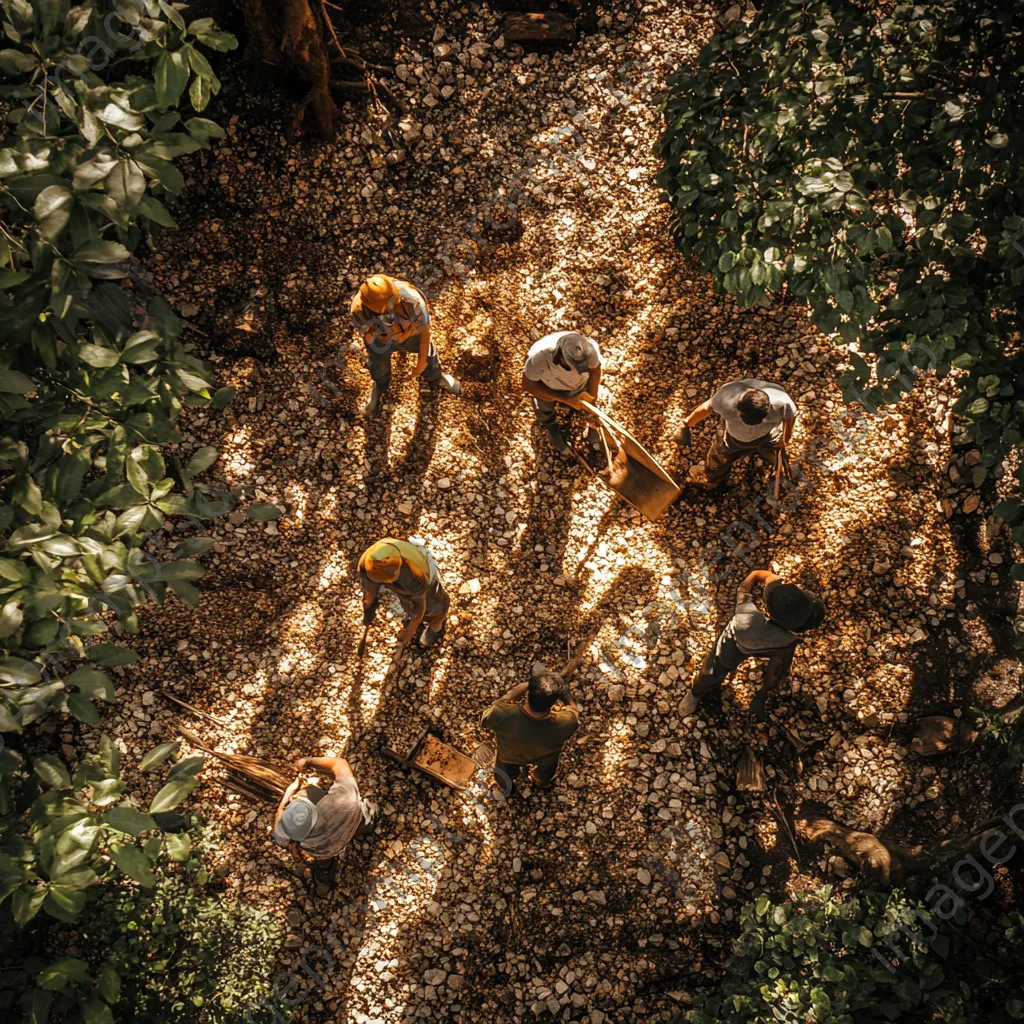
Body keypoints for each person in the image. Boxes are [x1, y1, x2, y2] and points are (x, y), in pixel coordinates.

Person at [678, 569, 825, 719]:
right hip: (737, 645)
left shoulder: (753, 607)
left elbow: (756, 576)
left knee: (715, 666)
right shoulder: (786, 640)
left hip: (740, 638)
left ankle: (698, 690)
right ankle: (696, 693)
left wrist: (747, 586)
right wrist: (762, 694)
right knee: (714, 668)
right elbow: (775, 672)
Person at [350, 273, 461, 417]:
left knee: (429, 357)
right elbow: (367, 336)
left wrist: (421, 362)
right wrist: (376, 332)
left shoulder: (412, 299)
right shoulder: (358, 310)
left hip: (412, 336)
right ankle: (380, 386)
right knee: (378, 366)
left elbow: (425, 331)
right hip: (382, 343)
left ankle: (436, 377)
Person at [273, 755, 378, 896]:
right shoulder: (344, 800)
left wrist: (287, 796)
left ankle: (323, 884)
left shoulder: (290, 836)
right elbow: (340, 763)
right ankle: (369, 825)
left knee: (324, 865)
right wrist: (308, 761)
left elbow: (278, 818)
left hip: (326, 850)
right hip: (353, 823)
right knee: (368, 816)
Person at [675, 378, 796, 491]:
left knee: (779, 455)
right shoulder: (726, 398)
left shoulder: (782, 403)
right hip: (731, 439)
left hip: (767, 437)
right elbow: (706, 407)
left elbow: (790, 416)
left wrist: (786, 438)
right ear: (738, 410)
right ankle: (712, 479)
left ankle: (784, 473)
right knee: (717, 459)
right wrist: (685, 424)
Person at [481, 671, 580, 790]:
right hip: (544, 756)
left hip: (509, 755)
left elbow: (486, 718)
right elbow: (572, 708)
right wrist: (563, 690)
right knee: (546, 772)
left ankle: (505, 786)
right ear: (554, 702)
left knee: (503, 775)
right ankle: (540, 782)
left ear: (528, 694)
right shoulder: (565, 722)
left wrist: (529, 685)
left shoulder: (500, 713)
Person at [358, 537, 450, 648]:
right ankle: (412, 615)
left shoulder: (416, 576)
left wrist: (409, 632)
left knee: (435, 608)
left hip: (426, 579)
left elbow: (419, 607)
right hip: (404, 581)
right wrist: (368, 603)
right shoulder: (367, 562)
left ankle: (436, 625)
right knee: (406, 602)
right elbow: (369, 584)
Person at [521, 330, 603, 454]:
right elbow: (528, 385)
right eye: (575, 366)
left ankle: (592, 429)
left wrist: (591, 400)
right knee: (544, 407)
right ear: (560, 357)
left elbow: (595, 371)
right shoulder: (540, 357)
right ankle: (551, 426)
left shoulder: (589, 351)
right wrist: (566, 399)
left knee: (589, 408)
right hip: (549, 387)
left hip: (579, 385)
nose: (580, 370)